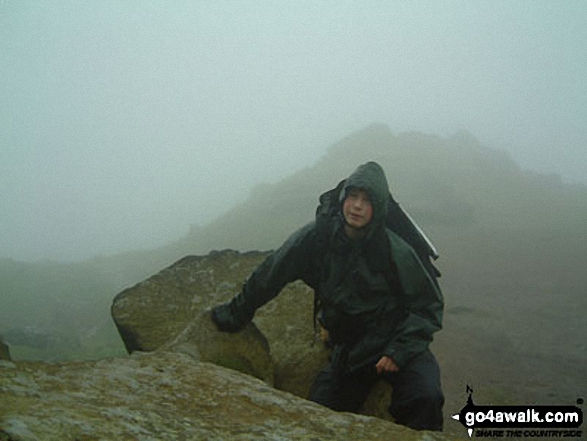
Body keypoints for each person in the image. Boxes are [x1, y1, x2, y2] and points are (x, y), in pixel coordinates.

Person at [212, 161, 444, 431]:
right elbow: (271, 273)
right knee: (316, 417)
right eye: (353, 196)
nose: (357, 206)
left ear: (378, 208)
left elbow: (428, 305)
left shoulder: (394, 250)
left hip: (396, 337)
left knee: (425, 398)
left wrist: (399, 351)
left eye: (367, 200)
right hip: (352, 350)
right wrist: (236, 313)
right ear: (343, 197)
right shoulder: (317, 237)